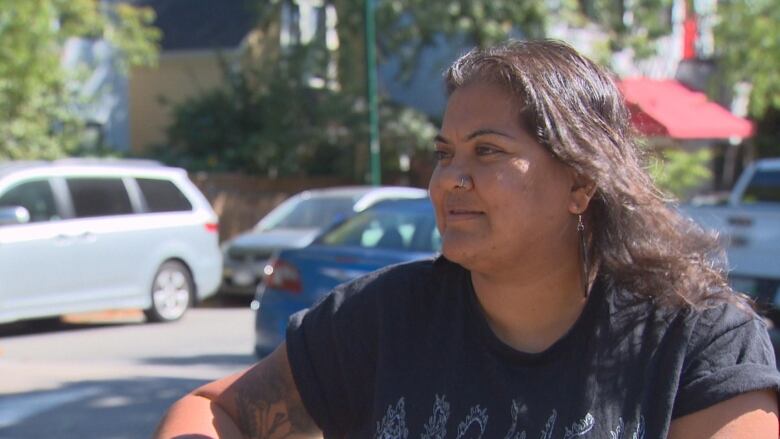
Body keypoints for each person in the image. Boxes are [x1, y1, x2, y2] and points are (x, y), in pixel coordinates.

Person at [155, 40, 780, 438]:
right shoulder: (385, 318)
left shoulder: (697, 341)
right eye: (445, 153)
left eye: (487, 151)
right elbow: (219, 411)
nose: (449, 179)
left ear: (581, 183)